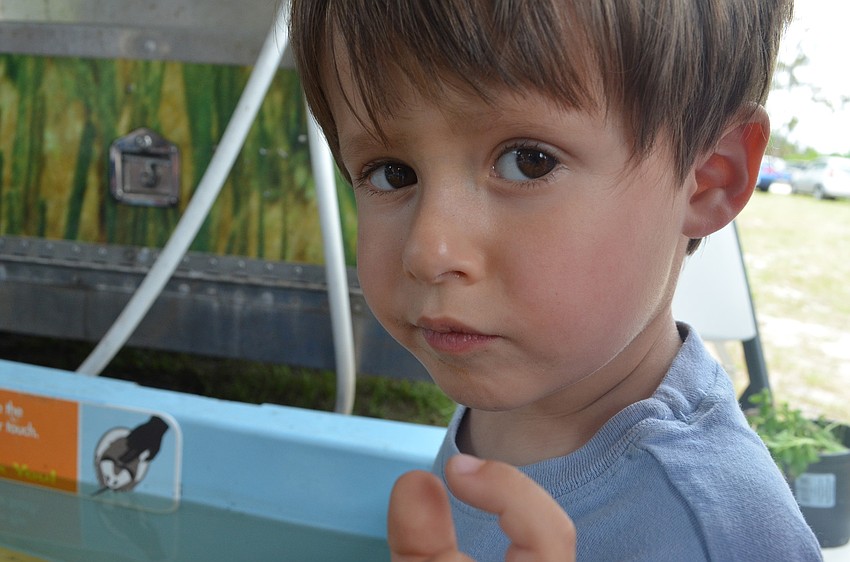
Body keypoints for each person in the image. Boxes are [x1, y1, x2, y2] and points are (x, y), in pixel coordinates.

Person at [289, 0, 823, 560]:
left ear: (707, 179)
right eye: (392, 172)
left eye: (528, 161)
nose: (429, 251)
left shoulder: (723, 532)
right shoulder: (522, 385)